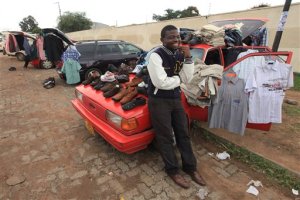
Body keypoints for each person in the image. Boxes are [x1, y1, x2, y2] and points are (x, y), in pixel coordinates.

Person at [147, 25, 206, 189]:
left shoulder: (180, 54)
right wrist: (178, 81)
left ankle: (190, 168)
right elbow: (161, 82)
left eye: (178, 37)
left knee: (183, 133)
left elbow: (187, 77)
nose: (176, 40)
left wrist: (188, 58)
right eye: (171, 37)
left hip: (175, 98)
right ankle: (172, 170)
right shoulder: (155, 56)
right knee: (165, 137)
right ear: (162, 40)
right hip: (159, 101)